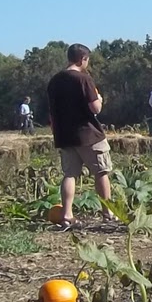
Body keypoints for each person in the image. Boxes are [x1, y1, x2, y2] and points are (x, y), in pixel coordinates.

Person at [46, 44, 113, 231]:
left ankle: (67, 215)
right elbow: (95, 108)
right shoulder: (84, 79)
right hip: (88, 134)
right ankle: (107, 212)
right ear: (82, 59)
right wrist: (99, 98)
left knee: (70, 175)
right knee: (101, 172)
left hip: (65, 135)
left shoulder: (55, 81)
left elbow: (51, 112)